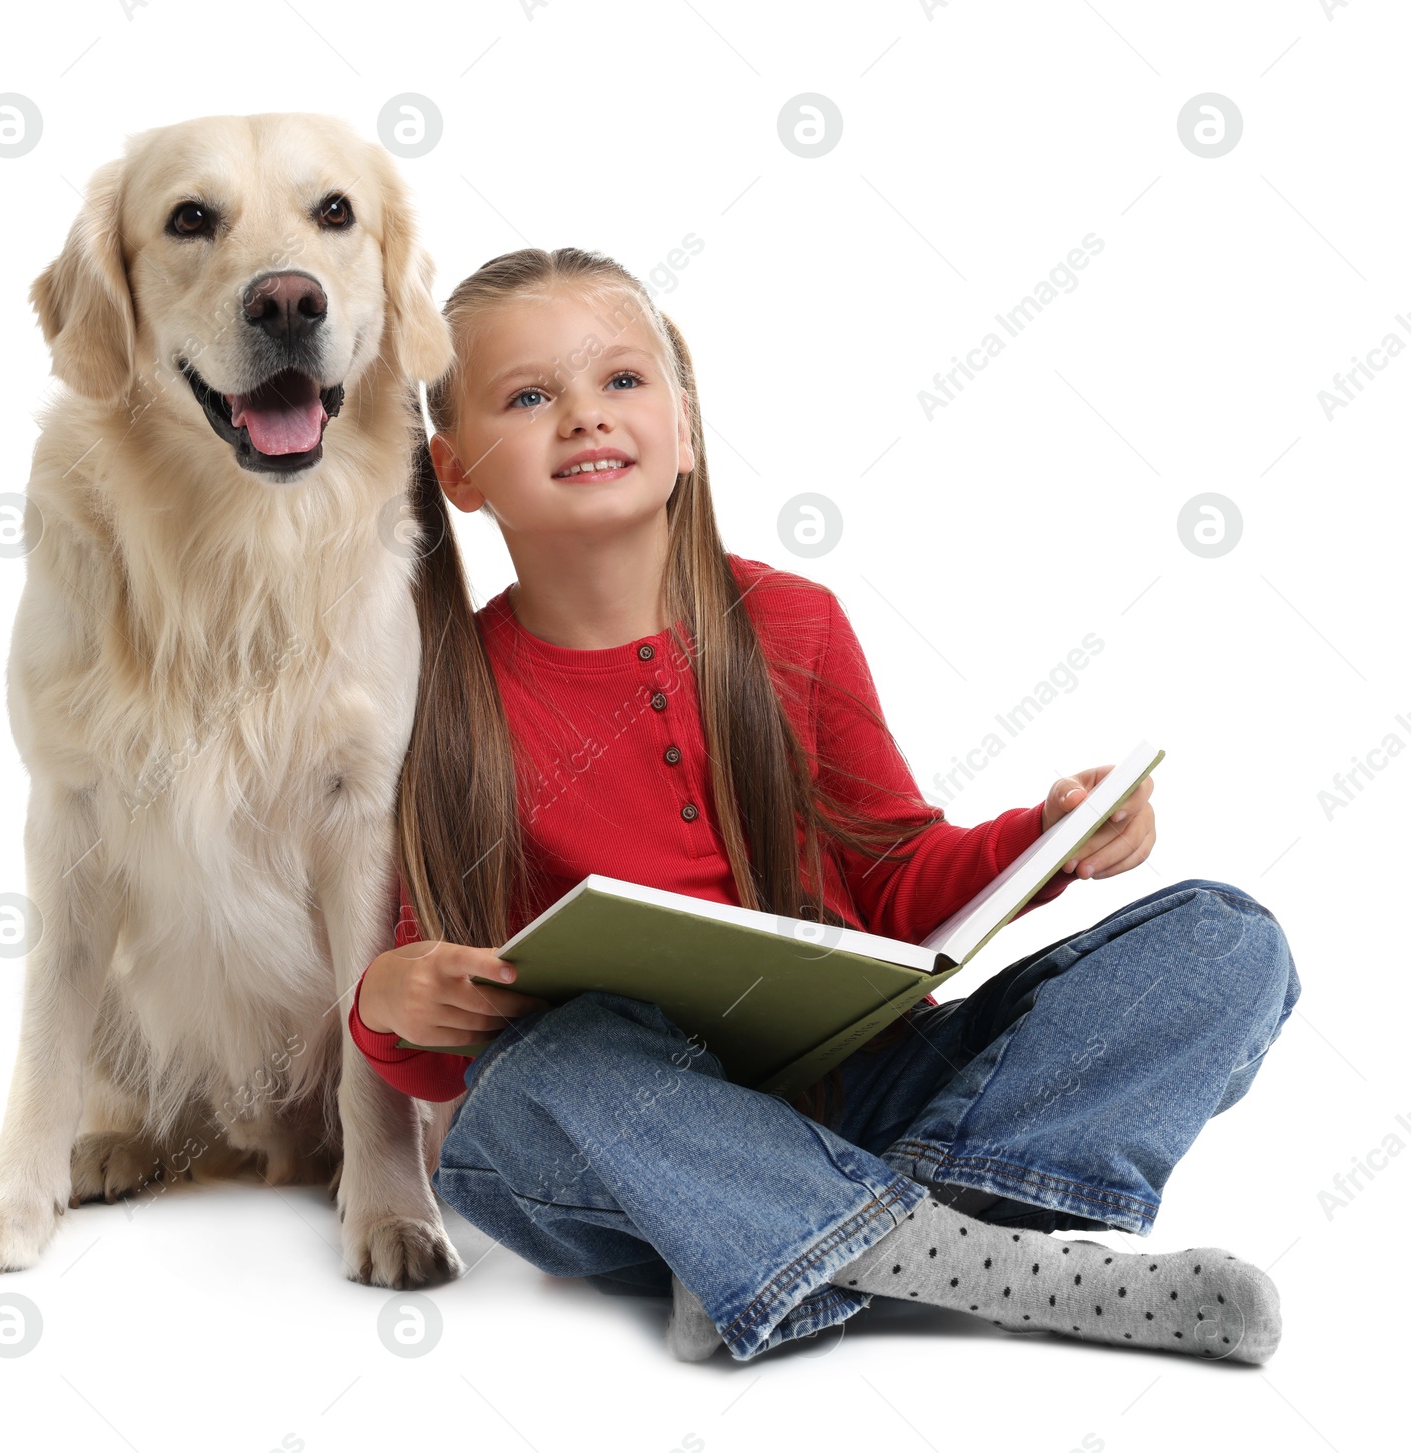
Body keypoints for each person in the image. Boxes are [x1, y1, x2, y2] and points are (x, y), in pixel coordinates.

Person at [348, 246, 1300, 1365]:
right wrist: (388, 1001)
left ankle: (784, 1242)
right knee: (538, 1080)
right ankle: (964, 1256)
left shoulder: (792, 623)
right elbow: (431, 1032)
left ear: (686, 427)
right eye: (528, 396)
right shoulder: (442, 684)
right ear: (457, 473)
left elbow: (897, 882)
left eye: (620, 381)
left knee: (1225, 940)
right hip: (625, 1131)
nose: (583, 417)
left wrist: (1045, 842)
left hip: (862, 1085)